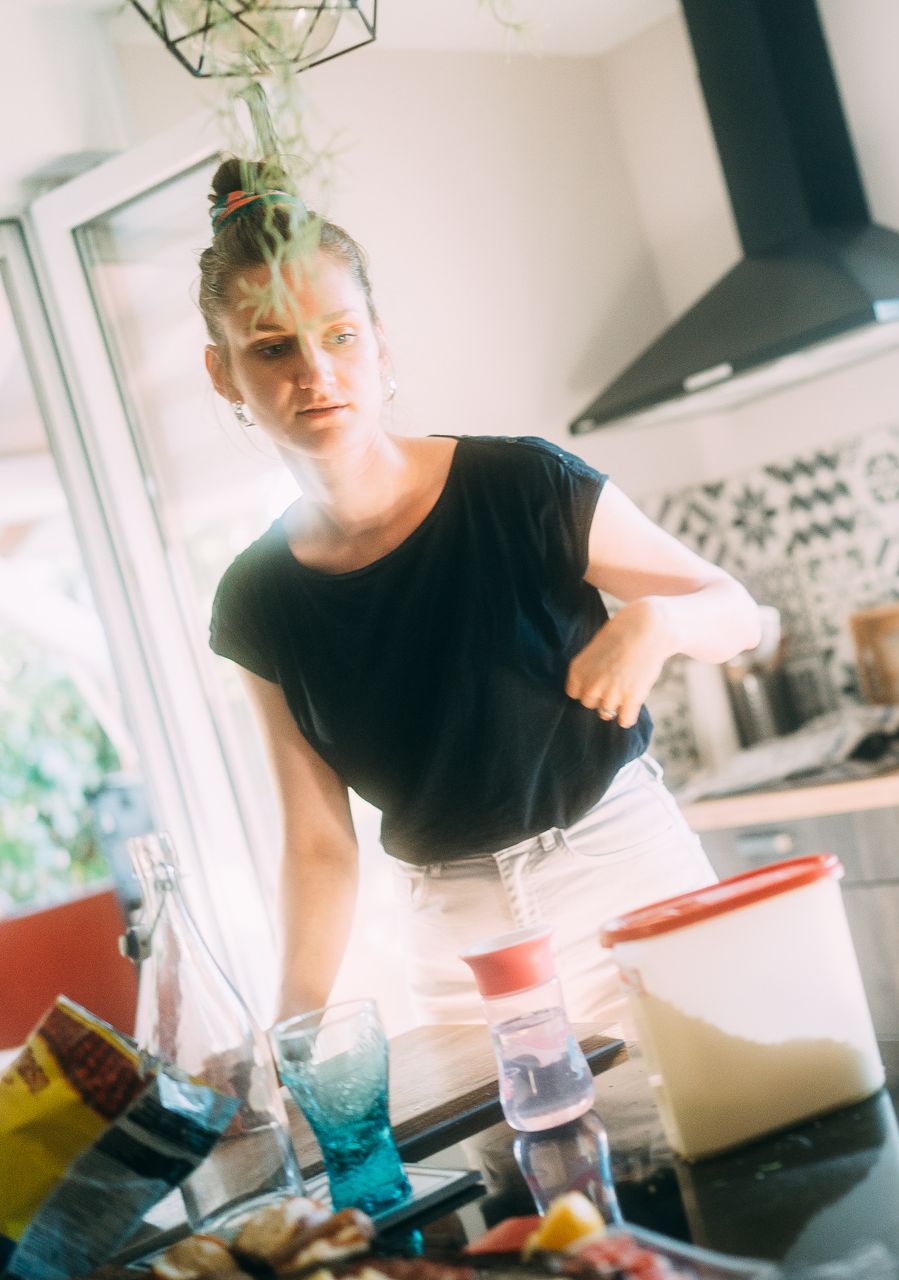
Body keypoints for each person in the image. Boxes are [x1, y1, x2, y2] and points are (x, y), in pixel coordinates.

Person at [198, 157, 761, 1026]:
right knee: (511, 1167)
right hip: (459, 948)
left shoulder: (525, 485)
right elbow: (317, 846)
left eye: (339, 335)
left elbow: (735, 613)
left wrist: (660, 621)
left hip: (627, 875)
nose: (316, 371)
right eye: (273, 347)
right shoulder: (257, 600)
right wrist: (290, 1029)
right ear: (224, 373)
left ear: (380, 342)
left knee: (732, 1136)